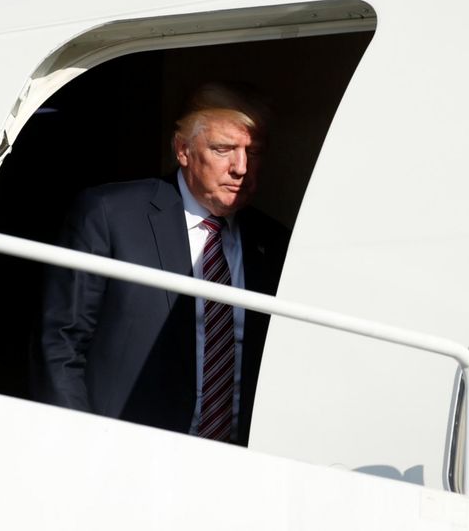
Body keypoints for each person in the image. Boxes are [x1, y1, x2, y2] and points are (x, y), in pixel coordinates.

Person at [34, 82, 290, 446]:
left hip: (235, 465)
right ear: (182, 149)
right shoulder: (110, 215)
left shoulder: (273, 242)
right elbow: (60, 343)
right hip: (120, 452)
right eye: (223, 150)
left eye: (255, 152)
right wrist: (79, 444)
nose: (241, 167)